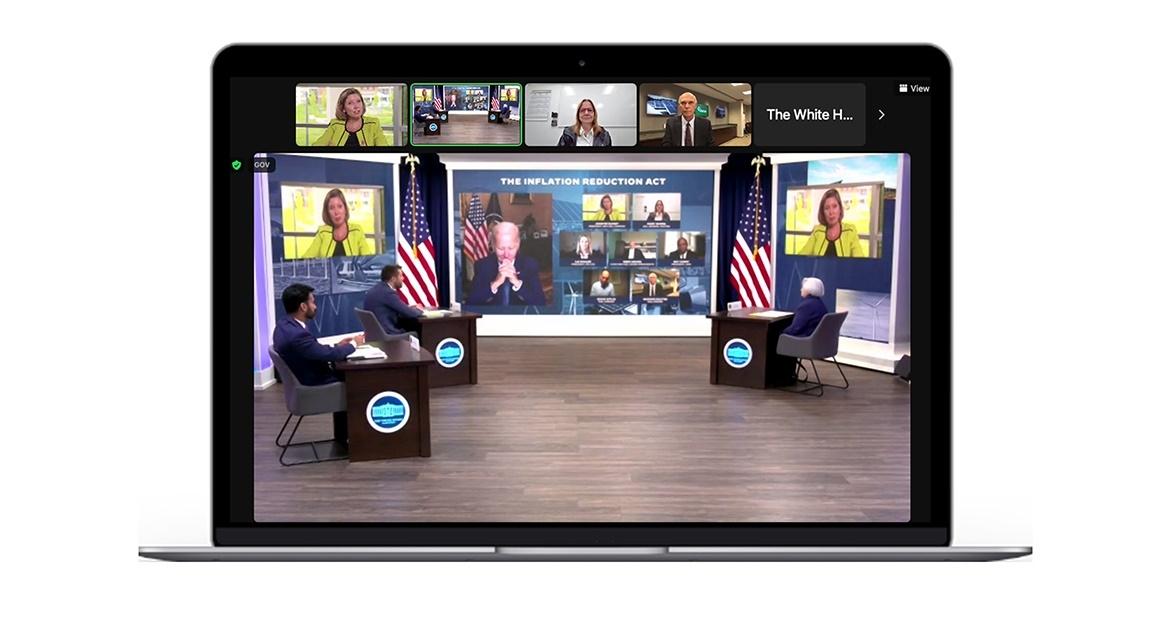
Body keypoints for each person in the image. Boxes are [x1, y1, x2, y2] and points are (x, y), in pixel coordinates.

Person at [272, 283, 365, 387]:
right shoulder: (298, 335)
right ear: (303, 306)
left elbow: (314, 350)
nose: (315, 307)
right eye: (312, 302)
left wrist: (337, 346)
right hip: (319, 383)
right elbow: (331, 355)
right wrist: (354, 343)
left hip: (308, 376)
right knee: (364, 376)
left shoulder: (283, 325)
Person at [467, 221, 546, 305]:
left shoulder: (530, 265)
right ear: (493, 245)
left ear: (518, 244)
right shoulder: (482, 266)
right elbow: (471, 303)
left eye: (511, 248)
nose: (506, 255)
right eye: (501, 249)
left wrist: (517, 283)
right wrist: (495, 284)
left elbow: (540, 303)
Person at [778, 277, 830, 385]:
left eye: (802, 288)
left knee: (776, 337)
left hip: (807, 342)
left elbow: (795, 329)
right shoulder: (820, 304)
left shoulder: (806, 306)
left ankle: (780, 377)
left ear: (808, 290)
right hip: (820, 343)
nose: (800, 290)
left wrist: (780, 332)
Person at [301, 189, 370, 259]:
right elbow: (306, 259)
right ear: (327, 212)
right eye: (331, 208)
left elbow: (368, 260)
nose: (336, 212)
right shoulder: (323, 232)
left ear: (345, 209)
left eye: (340, 206)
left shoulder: (357, 231)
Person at [798, 189, 865, 257]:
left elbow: (860, 262)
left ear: (840, 209)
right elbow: (800, 257)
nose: (831, 212)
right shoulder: (817, 231)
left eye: (834, 206)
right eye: (827, 208)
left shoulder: (850, 231)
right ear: (823, 212)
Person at [312, 88, 390, 147]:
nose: (356, 106)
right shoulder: (335, 124)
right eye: (350, 103)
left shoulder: (373, 124)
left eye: (358, 101)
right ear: (343, 109)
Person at [363, 265, 424, 336]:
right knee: (418, 332)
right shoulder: (387, 293)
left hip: (375, 334)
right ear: (393, 279)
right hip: (388, 333)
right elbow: (411, 313)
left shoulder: (377, 289)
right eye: (401, 276)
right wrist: (419, 310)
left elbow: (398, 307)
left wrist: (409, 308)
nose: (403, 278)